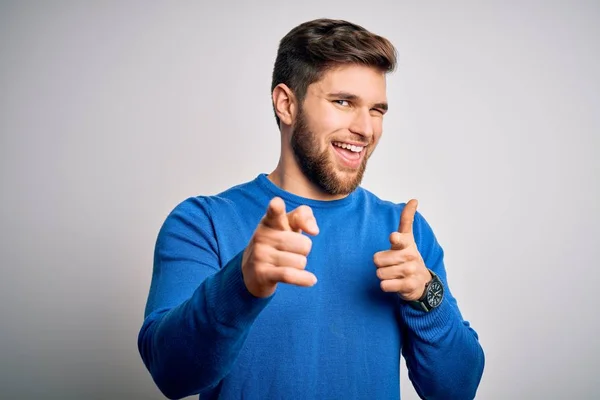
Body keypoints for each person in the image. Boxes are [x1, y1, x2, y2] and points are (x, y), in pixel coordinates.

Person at [138, 18, 485, 400]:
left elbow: (458, 390)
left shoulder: (406, 233)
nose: (366, 129)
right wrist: (242, 283)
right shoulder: (203, 223)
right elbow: (170, 374)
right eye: (343, 102)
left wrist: (426, 294)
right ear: (286, 103)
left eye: (377, 110)